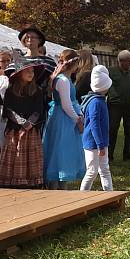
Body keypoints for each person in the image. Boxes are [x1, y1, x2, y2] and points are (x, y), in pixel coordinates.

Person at [0, 61, 46, 188]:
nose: (31, 73)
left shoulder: (37, 91)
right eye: (27, 71)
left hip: (31, 130)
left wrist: (28, 124)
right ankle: (12, 184)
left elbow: (38, 110)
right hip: (14, 129)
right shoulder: (10, 91)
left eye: (32, 71)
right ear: (19, 74)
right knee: (15, 154)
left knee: (30, 156)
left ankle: (32, 183)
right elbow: (8, 109)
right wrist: (21, 122)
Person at [43, 49, 85, 189]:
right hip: (63, 119)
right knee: (60, 151)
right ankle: (57, 187)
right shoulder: (63, 81)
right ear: (74, 64)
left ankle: (59, 186)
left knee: (59, 150)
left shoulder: (63, 79)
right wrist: (77, 118)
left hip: (61, 116)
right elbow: (66, 104)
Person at [80, 65, 114, 191]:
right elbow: (95, 125)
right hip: (93, 143)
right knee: (92, 171)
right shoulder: (96, 102)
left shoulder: (99, 100)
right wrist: (100, 145)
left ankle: (110, 195)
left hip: (101, 142)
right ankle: (82, 196)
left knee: (104, 169)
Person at [107, 50, 130, 161]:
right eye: (129, 61)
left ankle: (127, 156)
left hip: (129, 105)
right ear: (121, 61)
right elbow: (108, 86)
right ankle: (109, 155)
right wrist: (114, 97)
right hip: (115, 106)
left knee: (129, 129)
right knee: (112, 130)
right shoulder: (111, 72)